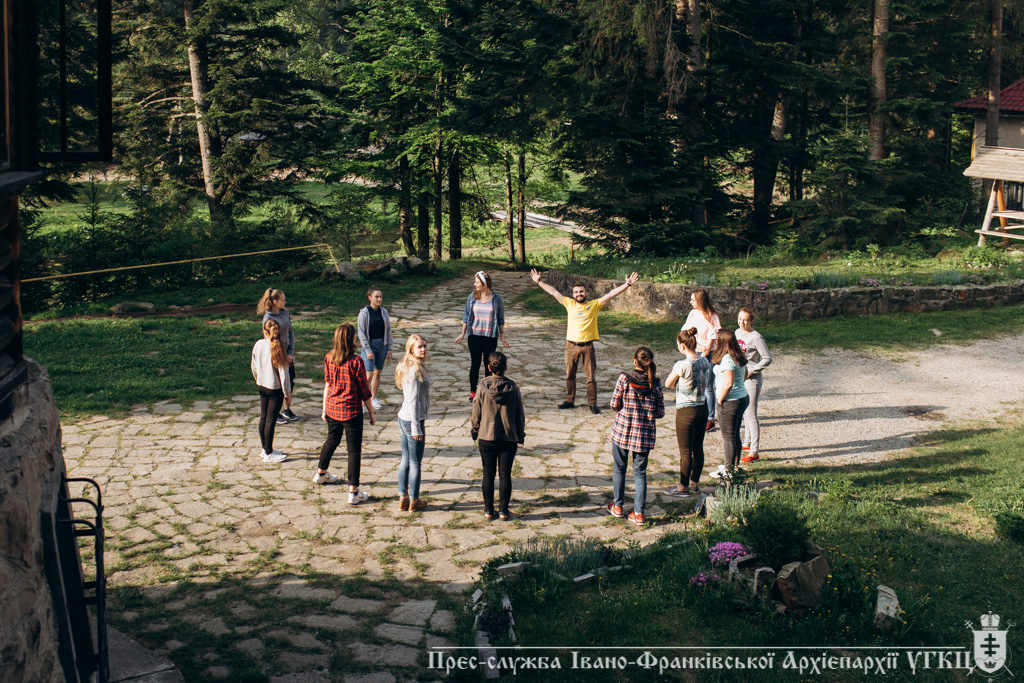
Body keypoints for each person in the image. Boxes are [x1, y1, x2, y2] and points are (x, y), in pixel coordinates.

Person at [530, 268, 639, 413]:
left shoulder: (594, 305)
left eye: (581, 291)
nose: (579, 294)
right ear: (573, 294)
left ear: (586, 293)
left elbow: (611, 294)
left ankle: (592, 403)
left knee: (590, 377)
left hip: (588, 347)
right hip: (571, 346)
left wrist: (627, 284)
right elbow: (554, 292)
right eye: (576, 292)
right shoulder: (569, 303)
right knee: (569, 375)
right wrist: (538, 282)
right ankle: (569, 400)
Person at [318, 324, 376, 503]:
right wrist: (371, 414)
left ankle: (321, 473)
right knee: (354, 451)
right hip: (351, 412)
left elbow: (327, 384)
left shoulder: (329, 358)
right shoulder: (356, 362)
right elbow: (364, 392)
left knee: (331, 440)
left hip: (332, 408)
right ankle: (353, 491)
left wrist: (324, 408)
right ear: (351, 339)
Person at [607, 346, 665, 526]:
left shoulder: (624, 378)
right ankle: (639, 513)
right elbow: (660, 412)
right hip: (644, 435)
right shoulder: (655, 383)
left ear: (634, 360)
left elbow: (614, 404)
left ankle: (617, 506)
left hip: (623, 432)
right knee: (640, 473)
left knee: (619, 469)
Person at [470, 352, 525, 521]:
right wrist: (520, 433)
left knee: (488, 473)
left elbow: (476, 412)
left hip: (486, 436)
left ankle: (488, 510)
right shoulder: (513, 388)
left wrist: (475, 430)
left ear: (488, 367)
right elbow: (520, 414)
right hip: (508, 437)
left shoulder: (482, 387)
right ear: (506, 367)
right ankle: (503, 511)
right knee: (505, 474)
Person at [663, 328, 711, 497]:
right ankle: (694, 483)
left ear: (682, 346)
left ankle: (683, 487)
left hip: (686, 410)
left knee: (685, 451)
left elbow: (668, 383)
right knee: (698, 448)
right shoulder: (704, 361)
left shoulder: (682, 365)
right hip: (702, 407)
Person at [454, 271, 508, 401]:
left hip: (490, 337)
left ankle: (487, 391)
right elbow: (466, 316)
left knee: (489, 365)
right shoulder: (472, 297)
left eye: (477, 282)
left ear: (485, 284)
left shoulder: (496, 299)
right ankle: (473, 392)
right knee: (475, 364)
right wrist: (463, 333)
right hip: (474, 336)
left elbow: (500, 319)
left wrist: (502, 336)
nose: (474, 284)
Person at [395, 334, 430, 512]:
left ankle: (403, 498)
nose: (423, 349)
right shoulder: (415, 369)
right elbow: (414, 401)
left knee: (406, 459)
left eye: (424, 346)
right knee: (415, 463)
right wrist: (416, 428)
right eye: (419, 347)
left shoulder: (407, 364)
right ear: (411, 349)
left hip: (403, 417)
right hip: (412, 420)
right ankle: (414, 501)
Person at [708, 329, 749, 480]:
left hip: (730, 401)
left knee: (728, 437)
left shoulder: (727, 359)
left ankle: (728, 470)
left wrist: (720, 400)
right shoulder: (738, 355)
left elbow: (728, 383)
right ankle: (735, 466)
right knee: (735, 434)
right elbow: (745, 374)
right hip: (742, 398)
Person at [251, 319, 291, 463]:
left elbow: (254, 365)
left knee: (263, 417)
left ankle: (265, 448)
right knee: (271, 420)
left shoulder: (258, 344)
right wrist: (287, 393)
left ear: (265, 332)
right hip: (275, 388)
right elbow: (284, 374)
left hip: (262, 385)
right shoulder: (279, 348)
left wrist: (258, 379)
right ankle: (268, 453)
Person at [735, 308, 772, 462]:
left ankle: (754, 452)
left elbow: (767, 358)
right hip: (740, 376)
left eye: (745, 320)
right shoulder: (737, 333)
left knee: (751, 414)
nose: (742, 322)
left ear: (751, 321)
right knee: (744, 411)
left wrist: (751, 371)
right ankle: (747, 443)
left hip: (752, 379)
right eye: (740, 319)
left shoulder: (756, 337)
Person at [681, 289, 721, 432]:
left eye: (693, 300)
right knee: (694, 383)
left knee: (708, 385)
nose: (690, 302)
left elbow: (713, 336)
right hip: (694, 351)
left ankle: (710, 418)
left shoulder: (712, 316)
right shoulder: (693, 314)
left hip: (708, 354)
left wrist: (706, 351)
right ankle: (696, 413)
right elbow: (685, 330)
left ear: (700, 300)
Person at [258, 288, 299, 424]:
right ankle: (275, 413)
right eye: (282, 300)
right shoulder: (268, 318)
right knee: (279, 384)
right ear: (275, 301)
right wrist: (281, 355)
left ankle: (287, 409)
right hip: (276, 355)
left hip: (287, 355)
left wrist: (290, 352)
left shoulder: (285, 312)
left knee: (290, 381)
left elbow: (290, 332)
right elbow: (269, 339)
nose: (285, 302)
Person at [357, 286, 394, 410]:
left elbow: (388, 329)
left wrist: (389, 347)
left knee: (378, 373)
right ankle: (362, 402)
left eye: (380, 297)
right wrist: (368, 350)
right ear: (370, 298)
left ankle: (373, 398)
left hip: (382, 345)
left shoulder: (384, 312)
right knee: (368, 375)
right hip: (370, 345)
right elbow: (361, 333)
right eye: (376, 297)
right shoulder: (364, 313)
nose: (379, 299)